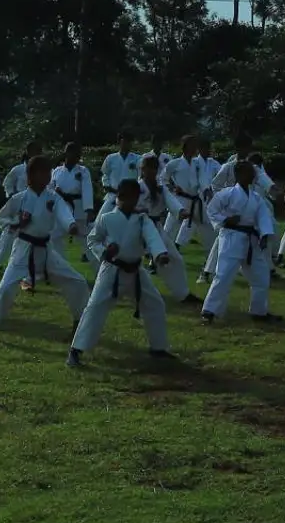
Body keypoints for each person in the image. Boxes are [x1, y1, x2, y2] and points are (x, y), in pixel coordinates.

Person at [65, 178, 177, 367]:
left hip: (136, 271)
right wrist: (104, 252)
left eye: (134, 197)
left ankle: (158, 348)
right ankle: (76, 350)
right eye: (125, 197)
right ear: (119, 197)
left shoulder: (142, 219)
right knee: (95, 307)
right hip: (112, 270)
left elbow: (152, 238)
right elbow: (93, 240)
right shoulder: (107, 218)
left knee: (155, 303)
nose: (130, 201)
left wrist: (160, 254)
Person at [0, 155, 91, 340]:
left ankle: (79, 324)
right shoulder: (19, 198)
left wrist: (70, 225)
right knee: (4, 289)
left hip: (46, 250)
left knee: (77, 282)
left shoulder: (53, 197)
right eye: (44, 172)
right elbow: (0, 217)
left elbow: (63, 213)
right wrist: (17, 222)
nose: (48, 176)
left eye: (49, 172)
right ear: (32, 175)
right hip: (23, 249)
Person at [202, 160, 281, 324]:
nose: (251, 175)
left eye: (252, 172)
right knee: (223, 276)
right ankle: (209, 311)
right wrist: (226, 219)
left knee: (261, 276)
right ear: (237, 175)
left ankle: (259, 312)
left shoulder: (257, 198)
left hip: (252, 240)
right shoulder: (227, 193)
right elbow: (211, 210)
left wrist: (265, 235)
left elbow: (263, 217)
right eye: (247, 172)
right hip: (232, 237)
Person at [136, 153, 200, 305]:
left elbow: (172, 201)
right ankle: (126, 290)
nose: (152, 171)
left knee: (176, 258)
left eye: (154, 168)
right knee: (131, 260)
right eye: (148, 168)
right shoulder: (137, 187)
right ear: (142, 169)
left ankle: (182, 294)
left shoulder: (160, 188)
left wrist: (181, 211)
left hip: (156, 227)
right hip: (138, 227)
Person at [0, 141, 44, 280]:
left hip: (37, 209)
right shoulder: (18, 169)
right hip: (18, 206)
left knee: (37, 243)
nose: (38, 153)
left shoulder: (45, 171)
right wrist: (11, 195)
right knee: (6, 239)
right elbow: (7, 183)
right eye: (35, 150)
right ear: (29, 152)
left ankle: (33, 274)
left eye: (39, 151)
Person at [51, 142, 96, 262]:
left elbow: (87, 189)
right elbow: (50, 190)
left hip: (78, 207)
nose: (78, 156)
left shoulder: (83, 171)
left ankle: (99, 269)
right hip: (61, 208)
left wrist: (89, 209)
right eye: (76, 153)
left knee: (87, 240)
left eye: (79, 154)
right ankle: (60, 266)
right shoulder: (56, 171)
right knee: (54, 238)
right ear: (67, 153)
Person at [167, 136, 213, 252]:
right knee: (169, 229)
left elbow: (203, 179)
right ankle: (155, 260)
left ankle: (210, 262)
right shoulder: (174, 163)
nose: (195, 148)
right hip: (179, 200)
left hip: (195, 201)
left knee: (207, 227)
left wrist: (206, 189)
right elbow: (162, 179)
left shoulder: (198, 163)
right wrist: (173, 187)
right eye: (193, 145)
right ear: (186, 147)